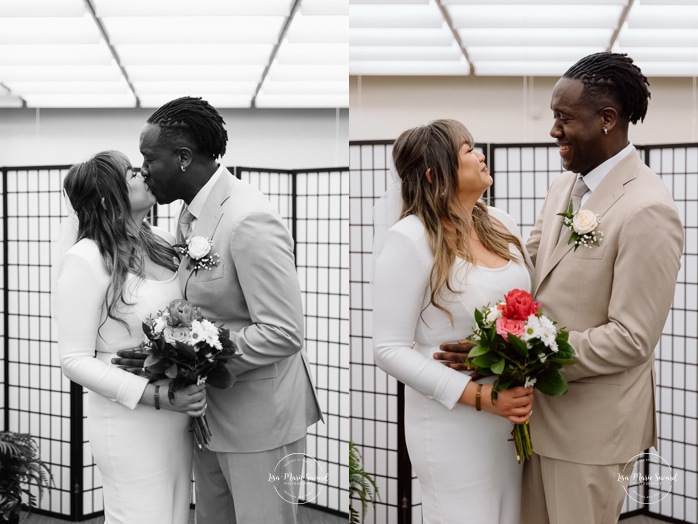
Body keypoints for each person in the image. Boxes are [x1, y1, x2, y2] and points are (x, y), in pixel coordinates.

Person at [437, 53, 684, 524]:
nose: (553, 130)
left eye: (563, 118)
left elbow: (631, 338)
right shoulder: (562, 188)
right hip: (536, 419)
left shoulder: (648, 208)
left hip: (592, 434)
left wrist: (521, 356)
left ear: (607, 120)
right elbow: (526, 267)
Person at [115, 96, 323, 524]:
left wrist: (188, 362)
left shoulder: (248, 219)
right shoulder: (189, 218)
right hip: (210, 418)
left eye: (149, 158)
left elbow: (283, 332)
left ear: (184, 158)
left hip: (260, 424)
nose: (143, 169)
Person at [371, 119, 534, 524]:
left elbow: (528, 311)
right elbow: (388, 349)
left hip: (511, 413)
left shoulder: (502, 224)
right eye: (468, 150)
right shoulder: (409, 239)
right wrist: (481, 397)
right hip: (451, 423)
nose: (481, 155)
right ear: (434, 174)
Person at [54, 150, 207, 524]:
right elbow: (73, 360)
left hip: (175, 418)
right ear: (109, 198)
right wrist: (157, 395)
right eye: (132, 174)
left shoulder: (164, 240)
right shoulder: (86, 259)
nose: (145, 175)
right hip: (128, 419)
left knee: (174, 517)